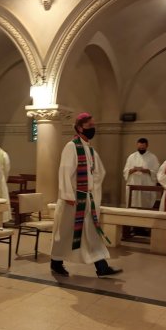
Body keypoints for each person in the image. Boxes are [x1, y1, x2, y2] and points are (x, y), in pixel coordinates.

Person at [50, 112, 123, 278]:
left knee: (91, 232)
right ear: (79, 128)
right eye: (90, 126)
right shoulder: (72, 146)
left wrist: (91, 187)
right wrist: (68, 195)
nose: (93, 129)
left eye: (93, 126)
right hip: (73, 199)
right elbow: (64, 171)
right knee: (65, 232)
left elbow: (99, 172)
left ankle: (101, 266)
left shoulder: (89, 149)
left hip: (85, 198)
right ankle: (56, 261)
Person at [123, 137, 160, 208]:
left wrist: (147, 171)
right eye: (140, 147)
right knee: (133, 203)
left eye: (143, 148)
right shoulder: (132, 157)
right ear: (137, 145)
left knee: (145, 204)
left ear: (147, 146)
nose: (141, 149)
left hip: (146, 184)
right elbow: (125, 171)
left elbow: (157, 171)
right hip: (134, 183)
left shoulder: (152, 157)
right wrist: (132, 170)